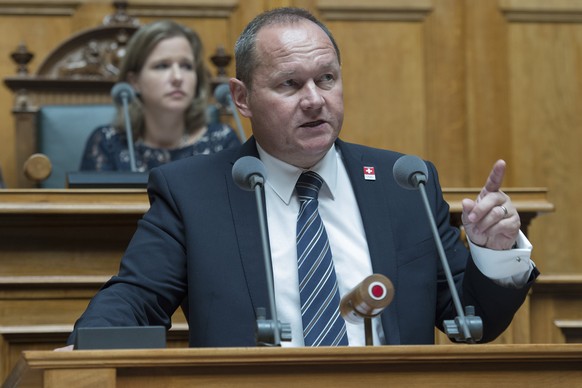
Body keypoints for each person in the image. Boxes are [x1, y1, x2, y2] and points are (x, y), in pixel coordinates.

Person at [63, 7, 538, 349]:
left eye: (326, 79)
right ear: (242, 99)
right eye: (290, 84)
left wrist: (494, 255)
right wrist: (85, 349)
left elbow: (470, 319)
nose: (314, 99)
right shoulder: (193, 192)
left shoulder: (404, 183)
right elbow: (138, 296)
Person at [79, 20, 241, 172]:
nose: (178, 77)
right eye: (162, 66)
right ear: (134, 81)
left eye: (186, 66)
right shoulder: (107, 143)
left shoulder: (222, 141)